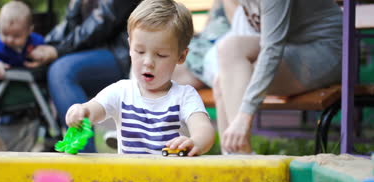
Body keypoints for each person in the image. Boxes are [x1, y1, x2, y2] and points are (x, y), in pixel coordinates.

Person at [65, 0, 215, 156]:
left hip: (171, 179)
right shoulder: (121, 91)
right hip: (129, 180)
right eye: (140, 52)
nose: (148, 62)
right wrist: (81, 111)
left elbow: (204, 130)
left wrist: (196, 142)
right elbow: (93, 111)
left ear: (181, 56)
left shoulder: (185, 96)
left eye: (161, 55)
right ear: (130, 47)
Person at [213, 0, 342, 154]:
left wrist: (244, 117)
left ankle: (241, 159)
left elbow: (272, 50)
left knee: (231, 72)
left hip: (328, 50)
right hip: (293, 46)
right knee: (226, 62)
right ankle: (234, 159)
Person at [24, 0, 142, 153]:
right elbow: (68, 26)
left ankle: (84, 156)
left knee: (62, 70)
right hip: (90, 54)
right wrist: (40, 48)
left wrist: (57, 51)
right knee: (47, 67)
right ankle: (51, 138)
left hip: (122, 57)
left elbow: (102, 22)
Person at [0, 1, 44, 80]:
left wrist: (41, 52)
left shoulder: (35, 41)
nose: (10, 40)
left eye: (16, 36)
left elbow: (43, 46)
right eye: (5, 34)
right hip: (7, 84)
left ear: (29, 31)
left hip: (29, 82)